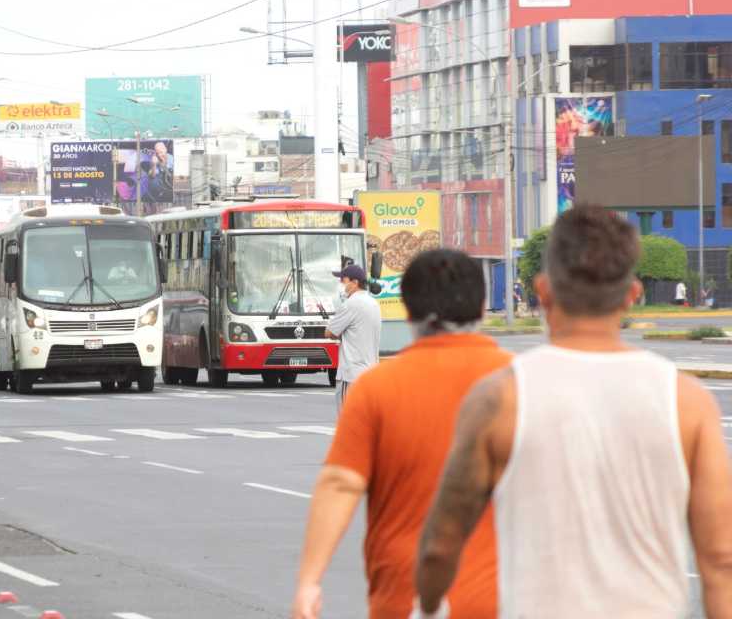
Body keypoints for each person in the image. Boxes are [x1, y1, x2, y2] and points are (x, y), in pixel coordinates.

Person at [415, 205, 732, 617]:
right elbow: (720, 557)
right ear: (633, 295)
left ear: (543, 292)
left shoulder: (499, 398)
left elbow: (441, 545)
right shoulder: (687, 401)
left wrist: (428, 606)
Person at [292, 250, 511, 619]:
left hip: (402, 598)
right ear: (482, 307)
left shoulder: (376, 390)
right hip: (503, 598)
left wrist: (309, 582)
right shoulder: (519, 382)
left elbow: (340, 484)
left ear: (408, 310)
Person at [325, 264, 382, 412]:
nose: (341, 284)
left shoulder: (351, 304)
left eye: (343, 280)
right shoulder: (373, 303)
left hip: (351, 375)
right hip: (370, 373)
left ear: (355, 282)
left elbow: (330, 333)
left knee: (347, 421)